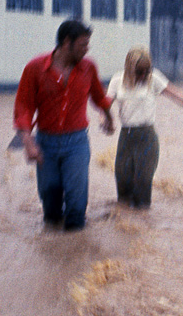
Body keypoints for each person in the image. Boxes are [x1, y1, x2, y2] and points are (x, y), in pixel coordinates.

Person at [14, 20, 115, 231]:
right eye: (83, 45)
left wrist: (109, 118)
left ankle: (76, 247)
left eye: (88, 45)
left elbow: (99, 97)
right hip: (46, 142)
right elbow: (23, 108)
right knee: (50, 209)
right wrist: (28, 143)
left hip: (77, 143)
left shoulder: (88, 68)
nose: (87, 49)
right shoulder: (35, 68)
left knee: (76, 205)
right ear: (67, 42)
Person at [107, 46, 183, 209]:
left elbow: (179, 97)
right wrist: (104, 119)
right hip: (126, 137)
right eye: (139, 72)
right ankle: (125, 221)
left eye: (146, 71)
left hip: (147, 137)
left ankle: (143, 221)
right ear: (129, 68)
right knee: (122, 187)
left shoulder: (154, 79)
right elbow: (105, 104)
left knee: (143, 189)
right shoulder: (117, 80)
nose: (143, 76)